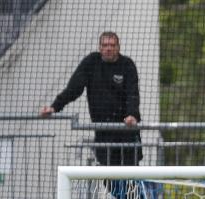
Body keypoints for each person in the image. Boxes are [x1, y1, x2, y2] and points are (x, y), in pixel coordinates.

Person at [40, 31, 141, 167]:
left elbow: (132, 93)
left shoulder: (127, 65)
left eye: (112, 45)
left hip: (126, 131)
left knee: (130, 179)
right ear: (100, 48)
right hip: (103, 132)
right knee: (109, 179)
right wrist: (54, 107)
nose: (108, 48)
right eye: (105, 45)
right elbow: (73, 88)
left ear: (118, 47)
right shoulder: (91, 62)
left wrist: (132, 115)